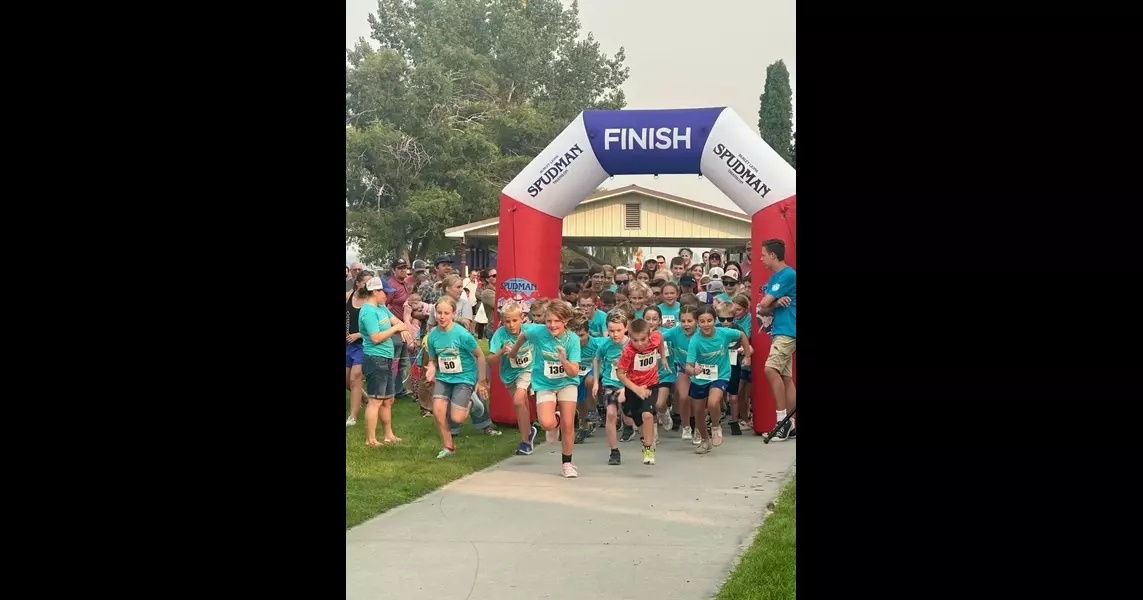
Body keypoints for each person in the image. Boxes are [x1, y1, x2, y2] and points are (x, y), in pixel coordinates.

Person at [508, 300, 584, 478]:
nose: (552, 325)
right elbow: (523, 336)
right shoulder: (538, 332)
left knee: (568, 425)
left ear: (565, 321)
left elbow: (573, 372)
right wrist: (515, 351)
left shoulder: (572, 339)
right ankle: (555, 419)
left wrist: (564, 360)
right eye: (549, 320)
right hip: (545, 383)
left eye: (557, 321)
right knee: (546, 423)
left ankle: (567, 463)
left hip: (567, 382)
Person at [424, 296, 492, 459]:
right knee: (438, 412)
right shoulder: (433, 335)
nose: (441, 316)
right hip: (444, 377)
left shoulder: (462, 335)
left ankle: (470, 401)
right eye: (439, 312)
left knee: (457, 418)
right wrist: (432, 368)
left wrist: (481, 381)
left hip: (464, 377)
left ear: (454, 314)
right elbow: (433, 359)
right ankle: (448, 447)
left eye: (446, 313)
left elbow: (480, 356)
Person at [685, 305, 752, 454]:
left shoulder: (724, 333)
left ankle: (715, 426)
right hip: (700, 378)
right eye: (702, 321)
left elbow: (742, 336)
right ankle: (704, 440)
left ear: (714, 321)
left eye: (709, 320)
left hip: (720, 375)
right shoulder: (695, 340)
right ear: (697, 322)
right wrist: (693, 370)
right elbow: (688, 366)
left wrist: (747, 356)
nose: (706, 324)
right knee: (698, 412)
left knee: (713, 402)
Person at [359, 276, 414, 446]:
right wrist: (396, 329)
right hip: (375, 359)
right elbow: (375, 338)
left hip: (387, 358)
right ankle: (371, 439)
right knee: (375, 400)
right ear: (375, 291)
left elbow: (397, 321)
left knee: (388, 400)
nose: (387, 296)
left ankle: (389, 435)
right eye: (385, 292)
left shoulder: (382, 308)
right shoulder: (368, 311)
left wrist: (402, 327)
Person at [486, 302, 539, 455]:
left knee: (518, 399)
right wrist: (500, 352)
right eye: (507, 321)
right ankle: (528, 432)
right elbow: (490, 361)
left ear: (522, 318)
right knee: (520, 403)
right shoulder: (500, 335)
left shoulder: (531, 330)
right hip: (509, 375)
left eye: (514, 320)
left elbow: (549, 331)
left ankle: (524, 442)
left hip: (528, 370)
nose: (511, 325)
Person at [756, 238, 796, 441]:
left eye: (763, 254)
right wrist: (776, 304)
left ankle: (782, 422)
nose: (761, 258)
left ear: (773, 255)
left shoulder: (787, 274)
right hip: (781, 330)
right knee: (786, 378)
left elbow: (763, 303)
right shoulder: (775, 277)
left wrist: (773, 303)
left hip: (788, 331)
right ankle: (791, 423)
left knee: (770, 369)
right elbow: (764, 306)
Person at [616, 317, 670, 465]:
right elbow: (620, 374)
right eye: (635, 340)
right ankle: (644, 436)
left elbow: (660, 337)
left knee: (647, 415)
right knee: (635, 417)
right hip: (633, 387)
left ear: (649, 335)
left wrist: (663, 357)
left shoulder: (655, 338)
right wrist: (636, 389)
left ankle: (648, 449)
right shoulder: (628, 352)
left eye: (643, 339)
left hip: (651, 385)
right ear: (630, 337)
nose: (639, 344)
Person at [593, 311, 631, 465]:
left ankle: (629, 424)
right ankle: (614, 451)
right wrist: (596, 381)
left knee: (629, 415)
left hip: (629, 383)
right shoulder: (605, 345)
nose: (615, 335)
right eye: (611, 331)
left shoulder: (632, 345)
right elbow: (596, 360)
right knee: (610, 413)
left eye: (618, 330)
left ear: (626, 328)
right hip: (610, 382)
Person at [664, 305, 699, 439]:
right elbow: (658, 339)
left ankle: (698, 427)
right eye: (683, 321)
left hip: (700, 369)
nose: (686, 324)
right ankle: (686, 426)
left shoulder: (702, 333)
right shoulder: (675, 331)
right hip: (682, 368)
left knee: (697, 400)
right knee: (684, 397)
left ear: (696, 321)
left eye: (689, 321)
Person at [346, 270, 374, 426]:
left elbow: (375, 327)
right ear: (357, 283)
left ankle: (353, 417)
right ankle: (366, 398)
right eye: (366, 282)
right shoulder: (348, 296)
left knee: (355, 378)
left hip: (363, 345)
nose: (368, 286)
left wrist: (358, 335)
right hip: (348, 344)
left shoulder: (370, 302)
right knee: (347, 380)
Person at [572, 318, 606, 443]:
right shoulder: (570, 344)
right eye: (576, 336)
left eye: (582, 335)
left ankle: (593, 411)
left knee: (590, 381)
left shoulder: (597, 343)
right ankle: (584, 424)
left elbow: (614, 340)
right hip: (578, 373)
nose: (579, 339)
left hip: (594, 369)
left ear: (588, 332)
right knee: (577, 399)